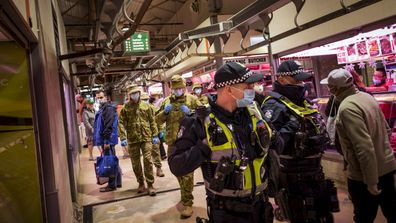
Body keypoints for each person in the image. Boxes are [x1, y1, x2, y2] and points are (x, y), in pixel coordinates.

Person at [168, 62, 279, 223]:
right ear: (229, 89)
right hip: (226, 211)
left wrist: (270, 137)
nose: (252, 89)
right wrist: (204, 147)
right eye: (248, 85)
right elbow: (176, 165)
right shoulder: (198, 122)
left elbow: (278, 146)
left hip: (261, 206)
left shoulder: (255, 113)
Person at [261, 60, 339, 223]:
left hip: (315, 171)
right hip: (293, 175)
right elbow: (270, 143)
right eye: (296, 80)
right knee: (303, 217)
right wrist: (291, 125)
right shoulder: (273, 105)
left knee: (323, 216)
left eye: (302, 80)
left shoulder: (304, 102)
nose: (301, 84)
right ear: (282, 80)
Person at [321, 68, 396, 223]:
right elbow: (386, 130)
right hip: (387, 169)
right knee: (392, 213)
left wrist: (371, 181)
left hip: (364, 175)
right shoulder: (367, 97)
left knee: (364, 217)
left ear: (334, 89)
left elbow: (364, 148)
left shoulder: (347, 107)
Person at [156, 75, 202, 218]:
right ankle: (185, 193)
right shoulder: (166, 102)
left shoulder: (192, 100)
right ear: (171, 89)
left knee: (187, 173)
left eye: (181, 88)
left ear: (185, 87)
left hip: (188, 142)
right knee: (176, 171)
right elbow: (157, 119)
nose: (179, 91)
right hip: (172, 143)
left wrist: (192, 112)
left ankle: (187, 203)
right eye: (176, 89)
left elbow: (205, 117)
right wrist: (165, 112)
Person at [118, 85, 158, 196]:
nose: (135, 95)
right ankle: (141, 183)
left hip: (146, 138)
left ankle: (150, 185)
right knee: (135, 164)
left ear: (139, 93)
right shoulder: (126, 108)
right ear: (129, 95)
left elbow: (152, 121)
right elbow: (121, 122)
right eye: (132, 93)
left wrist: (155, 135)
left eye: (136, 93)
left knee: (147, 160)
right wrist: (122, 137)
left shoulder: (147, 106)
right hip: (132, 139)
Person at [93, 90, 121, 192]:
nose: (99, 100)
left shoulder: (108, 109)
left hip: (108, 140)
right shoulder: (104, 108)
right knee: (112, 160)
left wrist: (106, 142)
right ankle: (117, 182)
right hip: (107, 139)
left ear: (106, 97)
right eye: (97, 98)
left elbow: (108, 126)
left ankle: (112, 185)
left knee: (109, 162)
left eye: (101, 97)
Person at [141, 92, 165, 177]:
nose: (144, 101)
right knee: (146, 155)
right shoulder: (139, 110)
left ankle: (159, 168)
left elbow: (159, 119)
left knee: (156, 151)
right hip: (143, 135)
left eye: (146, 99)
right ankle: (148, 171)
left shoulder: (153, 108)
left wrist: (161, 130)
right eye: (143, 100)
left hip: (154, 134)